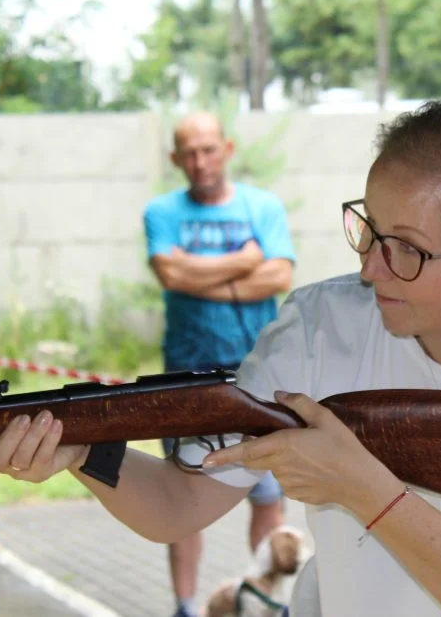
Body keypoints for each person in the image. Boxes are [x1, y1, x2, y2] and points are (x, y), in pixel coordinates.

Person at [0, 98, 441, 617]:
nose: (370, 269)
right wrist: (85, 454)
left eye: (406, 250)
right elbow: (180, 503)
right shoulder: (320, 326)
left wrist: (362, 485)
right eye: (369, 230)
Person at [143, 112, 296, 617]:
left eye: (208, 149)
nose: (200, 161)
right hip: (183, 374)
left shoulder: (262, 206)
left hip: (257, 372)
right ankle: (186, 608)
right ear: (175, 159)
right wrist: (244, 260)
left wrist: (200, 273)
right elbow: (169, 273)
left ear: (227, 149)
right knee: (180, 495)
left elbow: (277, 277)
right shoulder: (161, 211)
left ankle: (267, 601)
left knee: (267, 494)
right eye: (188, 152)